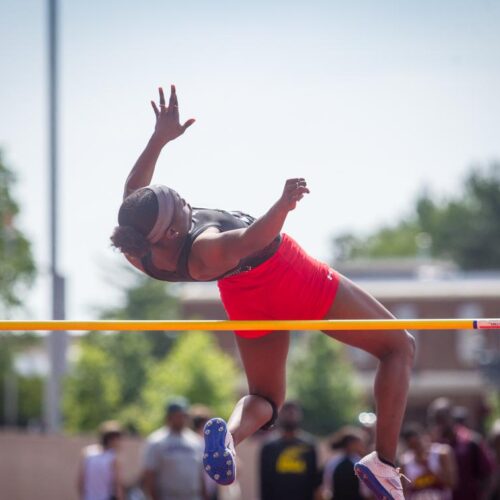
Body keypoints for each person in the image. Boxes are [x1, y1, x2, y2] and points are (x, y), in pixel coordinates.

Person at [111, 85, 416, 500]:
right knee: (399, 346)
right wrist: (283, 204)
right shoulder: (205, 249)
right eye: (180, 203)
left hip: (243, 295)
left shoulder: (138, 243)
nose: (185, 200)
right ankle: (383, 460)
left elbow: (134, 188)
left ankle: (231, 439)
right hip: (288, 275)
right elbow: (252, 239)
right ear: (173, 231)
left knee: (265, 398)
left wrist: (159, 139)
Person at [428, 398, 493, 500]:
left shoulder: (471, 441)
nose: (439, 424)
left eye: (442, 418)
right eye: (435, 420)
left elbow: (487, 475)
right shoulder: (432, 447)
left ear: (451, 416)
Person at [142, 398, 207, 500]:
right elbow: (149, 474)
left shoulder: (196, 441)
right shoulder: (156, 441)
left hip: (193, 496)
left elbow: (201, 474)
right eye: (178, 415)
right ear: (169, 417)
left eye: (184, 415)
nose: (182, 419)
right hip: (168, 496)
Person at [259, 401, 320, 500]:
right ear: (279, 415)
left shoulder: (309, 445)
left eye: (293, 412)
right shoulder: (269, 447)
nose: (290, 415)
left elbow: (315, 480)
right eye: (286, 412)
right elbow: (264, 483)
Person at [400, 423, 456, 500]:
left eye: (418, 444)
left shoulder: (442, 453)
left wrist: (430, 470)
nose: (417, 449)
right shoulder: (405, 462)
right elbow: (403, 492)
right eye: (413, 446)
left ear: (425, 437)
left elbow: (451, 483)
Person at [77, 420, 125, 500]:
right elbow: (117, 484)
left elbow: (80, 482)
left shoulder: (87, 453)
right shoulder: (113, 458)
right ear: (112, 439)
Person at [322, 426, 370, 500]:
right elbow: (365, 491)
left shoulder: (333, 462)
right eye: (358, 442)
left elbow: (327, 488)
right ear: (350, 444)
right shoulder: (359, 463)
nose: (361, 445)